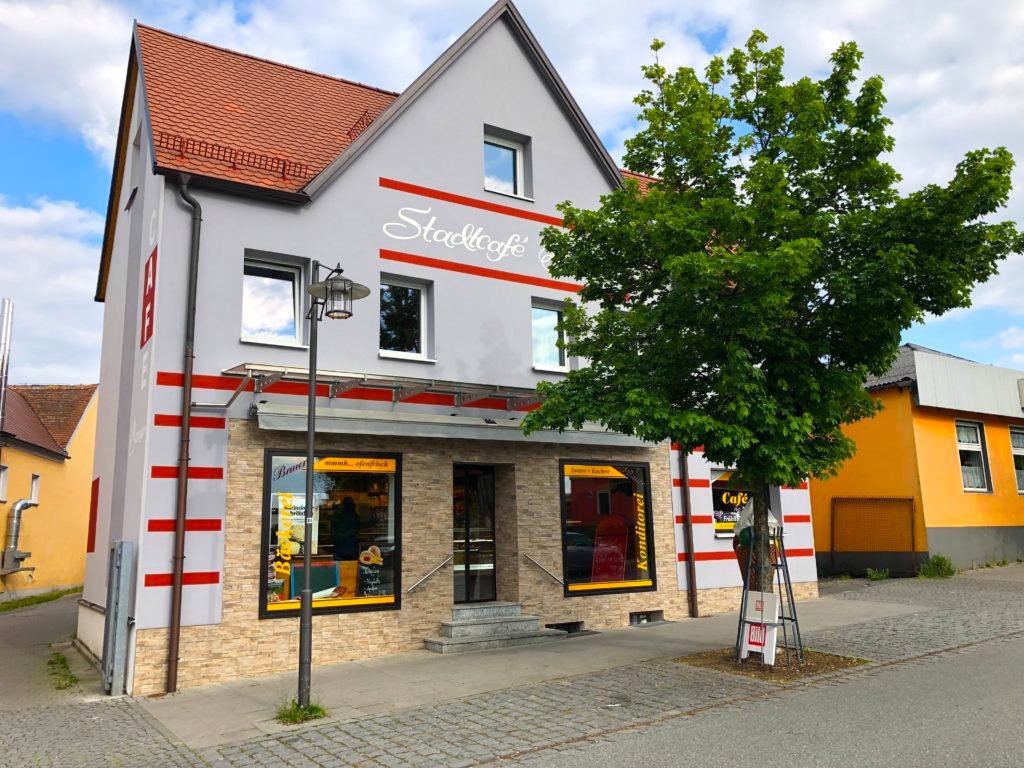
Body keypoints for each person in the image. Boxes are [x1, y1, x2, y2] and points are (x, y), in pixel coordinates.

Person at [732, 496, 779, 588]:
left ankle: (755, 593)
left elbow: (738, 542)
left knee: (752, 583)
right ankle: (762, 591)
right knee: (758, 581)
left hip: (755, 545)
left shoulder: (744, 529)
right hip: (770, 544)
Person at [330, 497, 361, 561]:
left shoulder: (338, 516)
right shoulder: (355, 517)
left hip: (339, 550)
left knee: (339, 568)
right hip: (352, 549)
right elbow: (357, 529)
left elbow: (333, 532)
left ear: (343, 505)